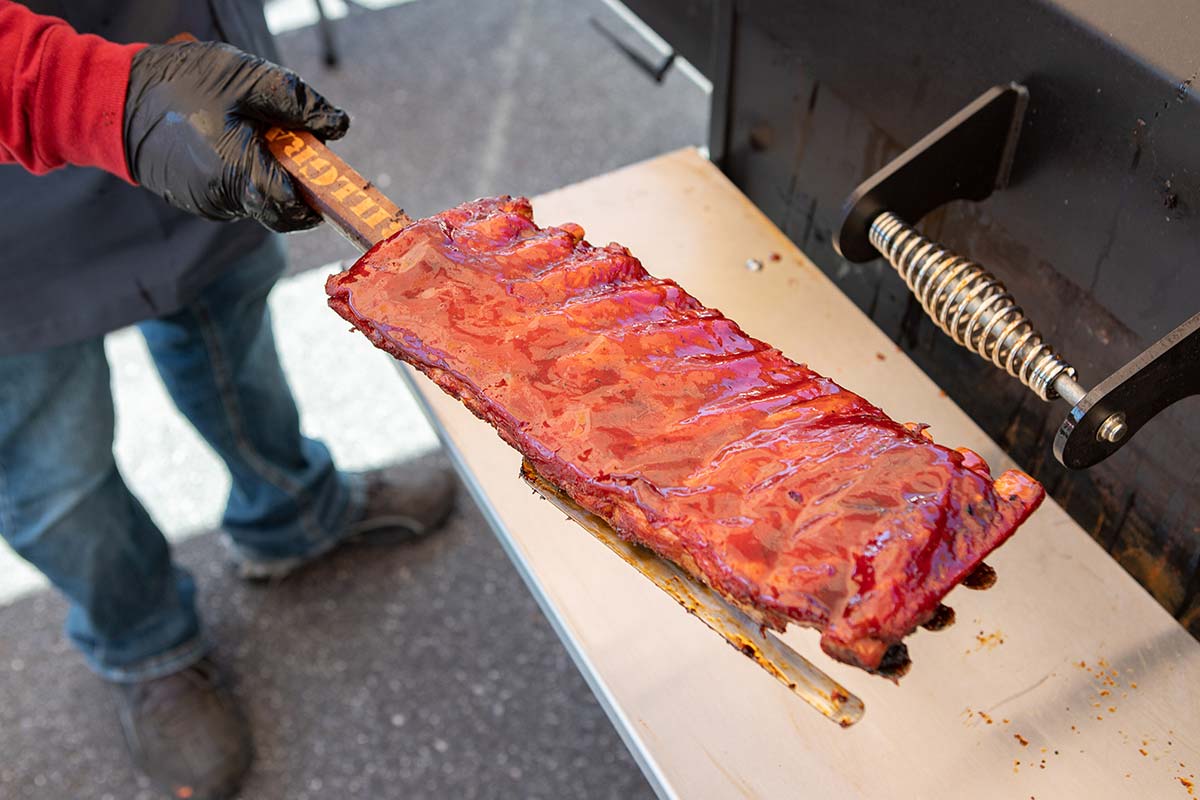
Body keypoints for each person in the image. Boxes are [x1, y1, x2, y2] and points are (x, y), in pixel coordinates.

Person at [0, 2, 456, 798]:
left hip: (186, 67)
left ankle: (292, 513)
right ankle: (146, 646)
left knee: (231, 340)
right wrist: (93, 93)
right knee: (50, 461)